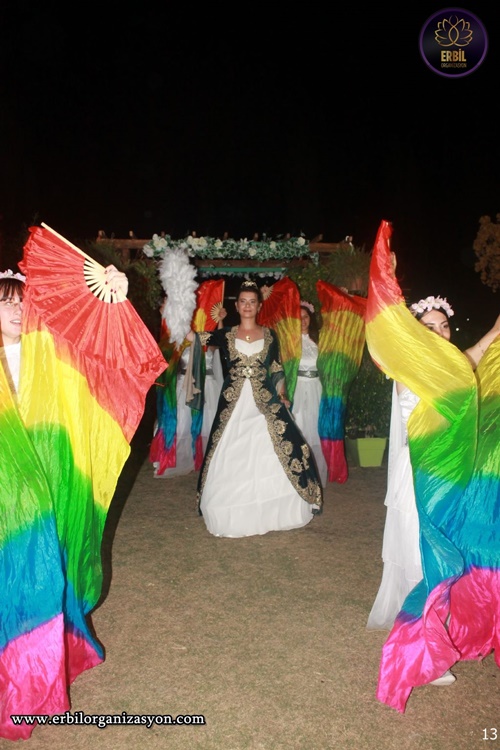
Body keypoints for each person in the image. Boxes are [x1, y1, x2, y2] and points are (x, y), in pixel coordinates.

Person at [0, 248, 166, 741]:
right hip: (9, 492)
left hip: (51, 482)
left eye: (22, 301)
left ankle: (34, 670)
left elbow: (109, 355)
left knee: (48, 570)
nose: (15, 309)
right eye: (5, 301)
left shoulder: (54, 353)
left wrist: (114, 298)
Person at [365, 218, 500, 712]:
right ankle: (422, 652)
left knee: (441, 554)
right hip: (418, 479)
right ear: (416, 338)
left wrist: (494, 333)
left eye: (444, 326)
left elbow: (468, 362)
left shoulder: (449, 369)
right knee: (424, 556)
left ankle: (438, 634)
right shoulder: (412, 370)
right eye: (430, 328)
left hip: (447, 479)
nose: (440, 332)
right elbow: (459, 368)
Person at [187, 279, 323, 538]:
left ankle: (279, 508)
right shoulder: (226, 334)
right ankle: (230, 510)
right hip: (234, 405)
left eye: (252, 302)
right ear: (236, 306)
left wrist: (282, 394)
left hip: (265, 402)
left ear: (259, 306)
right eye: (243, 302)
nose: (247, 306)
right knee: (231, 450)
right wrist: (179, 313)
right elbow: (194, 338)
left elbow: (276, 368)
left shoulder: (270, 335)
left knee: (281, 445)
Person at [291, 301, 328, 487]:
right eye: (299, 318)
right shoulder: (290, 342)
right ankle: (299, 475)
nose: (303, 321)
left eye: (305, 317)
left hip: (316, 388)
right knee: (300, 427)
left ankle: (317, 475)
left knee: (315, 429)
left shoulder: (319, 340)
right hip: (298, 388)